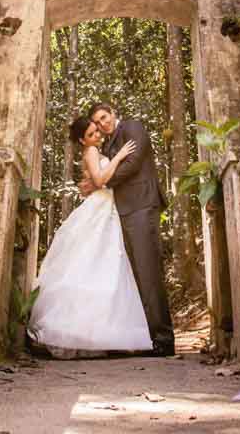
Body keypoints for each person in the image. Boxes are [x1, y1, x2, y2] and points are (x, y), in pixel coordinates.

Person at [26, 115, 152, 354]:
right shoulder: (92, 152)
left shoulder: (96, 150)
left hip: (107, 208)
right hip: (99, 209)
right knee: (92, 264)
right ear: (83, 141)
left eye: (97, 131)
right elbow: (101, 179)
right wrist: (119, 156)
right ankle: (81, 333)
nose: (97, 136)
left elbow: (94, 182)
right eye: (92, 134)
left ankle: (101, 333)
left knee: (105, 267)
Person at [80, 102, 175, 356]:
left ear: (112, 112)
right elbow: (100, 173)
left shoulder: (132, 127)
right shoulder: (109, 144)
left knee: (149, 272)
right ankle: (147, 336)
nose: (102, 124)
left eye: (104, 117)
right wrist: (94, 182)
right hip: (120, 213)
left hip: (142, 206)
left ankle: (164, 339)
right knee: (134, 276)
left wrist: (103, 182)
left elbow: (132, 164)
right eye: (97, 122)